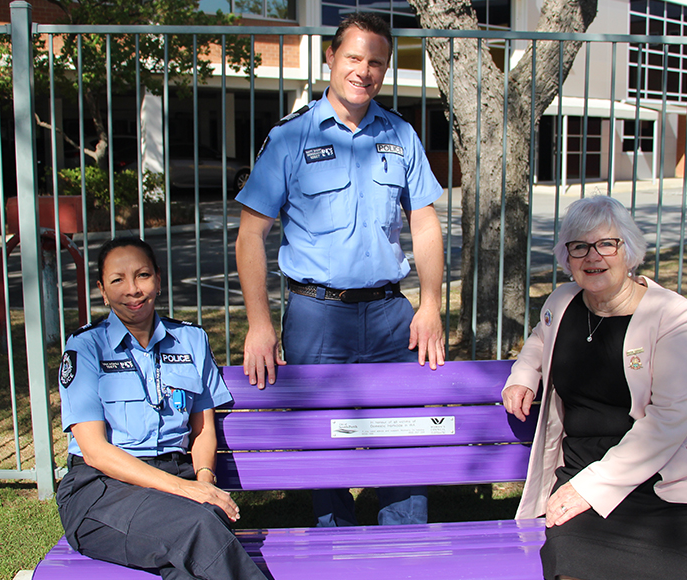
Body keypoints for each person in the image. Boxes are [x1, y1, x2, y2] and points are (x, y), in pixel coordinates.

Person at [234, 12, 445, 527]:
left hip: (392, 316)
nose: (364, 71)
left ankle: (405, 549)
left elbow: (425, 225)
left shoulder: (401, 135)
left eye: (376, 61)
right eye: (353, 57)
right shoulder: (289, 138)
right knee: (323, 443)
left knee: (403, 434)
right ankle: (338, 549)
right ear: (331, 58)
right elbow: (249, 235)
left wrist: (432, 306)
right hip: (315, 314)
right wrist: (260, 324)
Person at [502, 196, 687, 580]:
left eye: (606, 244)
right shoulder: (562, 301)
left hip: (671, 480)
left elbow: (669, 421)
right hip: (583, 469)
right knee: (571, 564)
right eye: (579, 246)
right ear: (567, 257)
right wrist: (524, 374)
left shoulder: (675, 317)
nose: (592, 256)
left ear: (628, 250)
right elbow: (539, 337)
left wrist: (591, 488)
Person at [56, 237, 266, 580]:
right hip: (101, 492)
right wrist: (188, 491)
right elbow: (95, 452)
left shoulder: (190, 340)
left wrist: (204, 480)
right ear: (102, 290)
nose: (133, 290)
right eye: (117, 280)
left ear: (158, 278)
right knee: (198, 525)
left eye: (142, 275)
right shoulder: (86, 347)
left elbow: (202, 429)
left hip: (175, 481)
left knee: (188, 566)